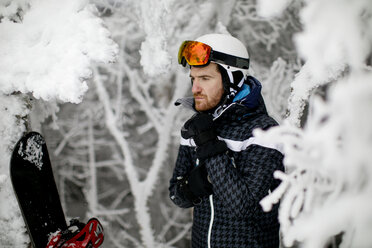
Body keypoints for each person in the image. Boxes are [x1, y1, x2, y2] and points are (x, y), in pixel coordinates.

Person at [169, 33, 284, 248]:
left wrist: (210, 147)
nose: (195, 89)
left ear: (233, 80)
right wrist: (191, 188)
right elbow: (176, 195)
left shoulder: (263, 132)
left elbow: (244, 207)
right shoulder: (196, 126)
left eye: (205, 78)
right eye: (193, 78)